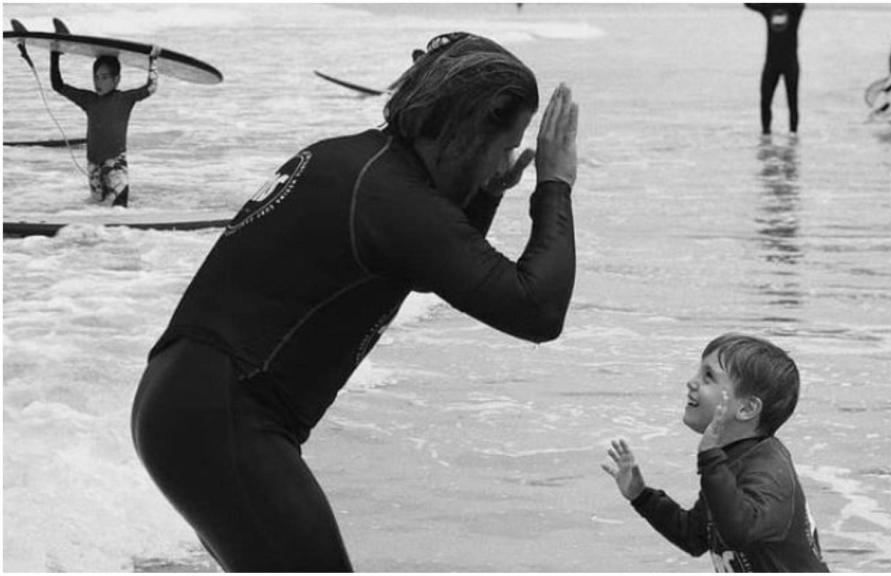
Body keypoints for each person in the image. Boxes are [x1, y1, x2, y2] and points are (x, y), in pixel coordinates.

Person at [131, 32, 579, 571]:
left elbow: (425, 269)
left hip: (186, 405)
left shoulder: (360, 162)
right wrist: (554, 185)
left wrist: (484, 193)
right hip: (224, 417)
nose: (508, 158)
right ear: (466, 128)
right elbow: (537, 310)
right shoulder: (393, 199)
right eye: (507, 143)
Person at [602, 333, 829, 572]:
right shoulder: (730, 461)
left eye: (708, 377)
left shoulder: (770, 471)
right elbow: (694, 536)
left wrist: (711, 461)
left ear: (747, 408)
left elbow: (739, 530)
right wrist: (641, 496)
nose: (691, 382)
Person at [50, 48, 160, 207]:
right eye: (95, 77)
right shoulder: (88, 100)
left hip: (115, 165)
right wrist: (55, 54)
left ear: (116, 79)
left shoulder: (125, 99)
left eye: (104, 77)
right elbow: (57, 85)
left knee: (119, 211)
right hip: (94, 167)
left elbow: (151, 87)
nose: (98, 82)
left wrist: (153, 60)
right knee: (98, 211)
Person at [745, 4, 805, 135]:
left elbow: (802, 4)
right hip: (772, 63)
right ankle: (766, 135)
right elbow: (747, 4)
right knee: (765, 100)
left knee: (792, 101)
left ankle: (793, 136)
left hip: (790, 63)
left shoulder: (794, 8)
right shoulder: (769, 7)